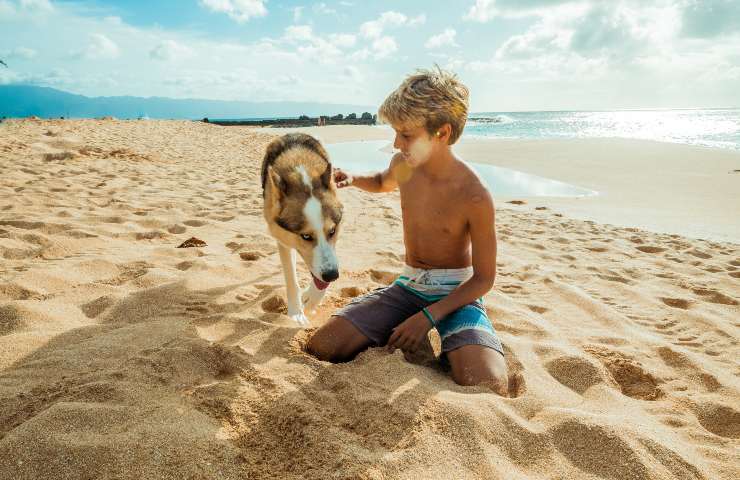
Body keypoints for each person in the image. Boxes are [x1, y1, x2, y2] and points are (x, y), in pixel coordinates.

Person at [306, 67, 508, 395]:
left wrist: (428, 317)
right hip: (409, 286)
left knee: (487, 383)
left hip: (455, 295)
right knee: (323, 346)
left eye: (406, 134)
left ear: (441, 133)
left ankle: (457, 338)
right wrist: (354, 178)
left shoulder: (474, 194)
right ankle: (392, 323)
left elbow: (484, 279)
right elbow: (383, 182)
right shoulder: (404, 165)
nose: (396, 143)